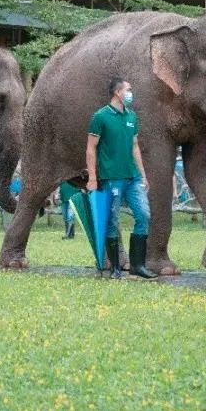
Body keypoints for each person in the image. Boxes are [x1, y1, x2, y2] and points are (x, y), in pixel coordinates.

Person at [86, 77, 156, 279]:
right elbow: (91, 148)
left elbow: (135, 147)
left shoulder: (132, 117)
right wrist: (92, 178)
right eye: (128, 89)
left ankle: (138, 266)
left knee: (144, 215)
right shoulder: (100, 116)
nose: (131, 93)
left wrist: (142, 174)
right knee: (112, 221)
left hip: (133, 178)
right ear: (118, 92)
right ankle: (115, 268)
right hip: (111, 178)